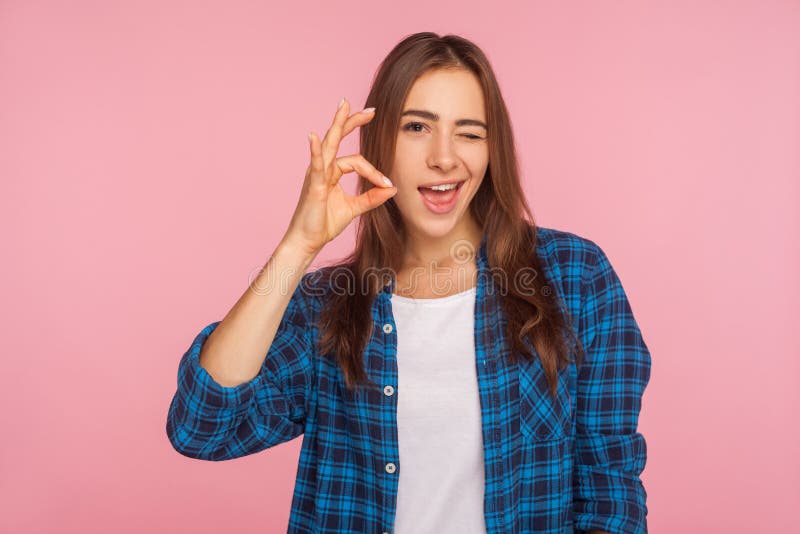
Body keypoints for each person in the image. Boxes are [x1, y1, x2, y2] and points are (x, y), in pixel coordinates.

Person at [166, 32, 651, 534]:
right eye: (417, 126)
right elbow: (202, 428)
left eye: (469, 132)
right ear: (379, 144)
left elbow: (610, 490)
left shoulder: (574, 277)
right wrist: (297, 247)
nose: (444, 158)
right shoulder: (328, 306)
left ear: (492, 150)